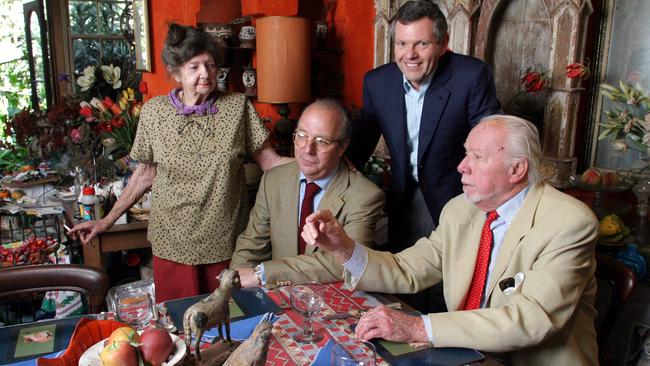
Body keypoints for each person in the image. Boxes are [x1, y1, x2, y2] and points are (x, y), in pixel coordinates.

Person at [304, 115, 599, 365]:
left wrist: (419, 327)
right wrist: (344, 248)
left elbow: (529, 320)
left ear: (517, 170)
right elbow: (408, 269)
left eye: (477, 157)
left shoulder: (568, 222)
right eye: (465, 153)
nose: (461, 166)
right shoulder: (461, 210)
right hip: (466, 356)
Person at [69, 23, 289, 302]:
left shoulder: (237, 107)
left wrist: (328, 164)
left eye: (210, 65)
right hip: (171, 241)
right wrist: (105, 222)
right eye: (194, 67)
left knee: (229, 322)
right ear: (176, 73)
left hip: (226, 241)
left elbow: (270, 161)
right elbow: (145, 173)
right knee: (178, 322)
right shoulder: (154, 113)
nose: (205, 74)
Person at [346, 0, 501, 251]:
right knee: (403, 279)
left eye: (422, 44)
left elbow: (492, 140)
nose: (410, 55)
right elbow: (359, 143)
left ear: (443, 44)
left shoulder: (471, 76)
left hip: (457, 195)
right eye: (402, 44)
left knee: (447, 284)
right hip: (402, 196)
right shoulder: (377, 82)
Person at [230, 99, 384, 288]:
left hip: (332, 302)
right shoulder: (274, 180)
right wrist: (234, 286)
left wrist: (263, 274)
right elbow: (251, 246)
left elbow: (344, 262)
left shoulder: (365, 196)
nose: (307, 149)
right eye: (301, 136)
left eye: (321, 141)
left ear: (342, 147)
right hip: (279, 296)